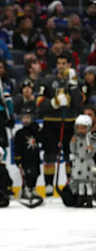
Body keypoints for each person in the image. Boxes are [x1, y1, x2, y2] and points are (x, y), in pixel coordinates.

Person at [36, 52, 82, 197]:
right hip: (50, 123)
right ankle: (49, 185)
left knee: (71, 156)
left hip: (70, 124)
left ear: (70, 65)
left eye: (64, 64)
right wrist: (53, 103)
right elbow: (39, 104)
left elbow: (78, 105)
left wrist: (73, 86)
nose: (61, 66)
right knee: (49, 155)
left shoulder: (77, 82)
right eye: (59, 63)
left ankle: (70, 183)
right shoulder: (48, 81)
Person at [60, 115, 96, 208]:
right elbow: (73, 150)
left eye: (83, 128)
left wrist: (91, 149)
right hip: (79, 164)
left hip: (87, 165)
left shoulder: (91, 139)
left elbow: (92, 152)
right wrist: (72, 143)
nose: (80, 130)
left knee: (88, 183)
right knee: (79, 184)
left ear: (88, 128)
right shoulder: (75, 138)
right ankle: (79, 199)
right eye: (78, 128)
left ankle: (89, 199)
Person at [14, 106, 43, 201]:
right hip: (25, 158)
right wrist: (17, 158)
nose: (25, 120)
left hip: (35, 157)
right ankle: (26, 189)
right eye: (24, 118)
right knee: (27, 174)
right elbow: (17, 147)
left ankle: (33, 189)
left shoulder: (35, 130)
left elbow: (41, 139)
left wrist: (36, 128)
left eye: (28, 118)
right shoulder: (19, 133)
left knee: (36, 173)